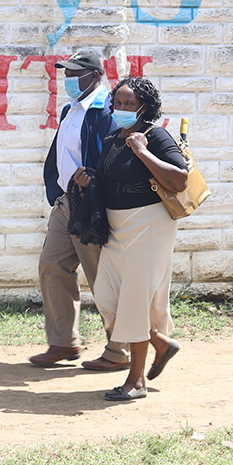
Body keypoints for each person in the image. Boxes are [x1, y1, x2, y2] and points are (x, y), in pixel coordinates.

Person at [72, 76, 188, 401]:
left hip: (149, 226)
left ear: (144, 107)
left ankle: (136, 382)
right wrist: (86, 182)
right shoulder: (111, 139)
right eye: (118, 103)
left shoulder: (155, 136)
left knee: (134, 302)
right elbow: (107, 180)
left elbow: (179, 180)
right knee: (108, 296)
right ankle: (158, 341)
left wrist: (142, 153)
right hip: (117, 227)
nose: (122, 108)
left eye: (129, 104)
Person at [30, 52, 130, 370]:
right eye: (66, 72)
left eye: (75, 72)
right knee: (52, 266)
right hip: (66, 201)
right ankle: (63, 343)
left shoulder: (107, 111)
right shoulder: (70, 109)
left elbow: (117, 157)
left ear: (95, 76)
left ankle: (121, 349)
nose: (67, 78)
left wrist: (95, 186)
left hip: (91, 204)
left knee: (103, 278)